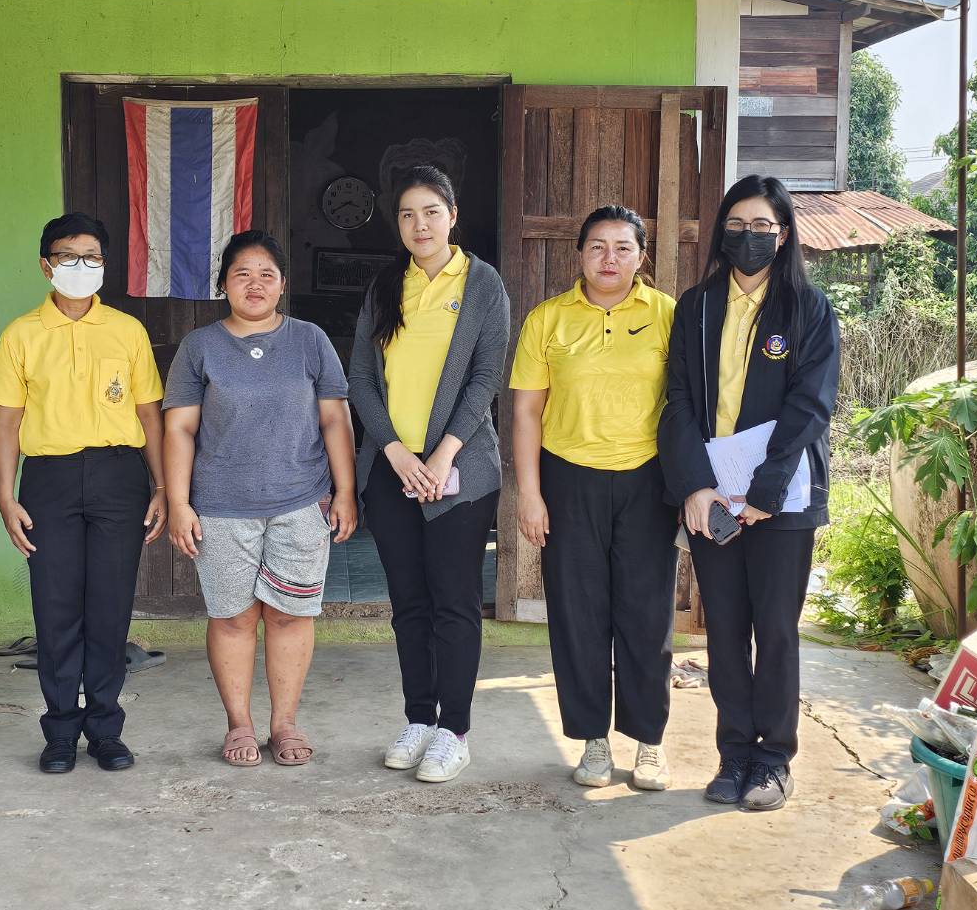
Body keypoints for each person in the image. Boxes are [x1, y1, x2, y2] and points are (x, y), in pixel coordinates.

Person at [658, 174, 839, 812]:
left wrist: (762, 489)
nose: (748, 237)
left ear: (784, 234)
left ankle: (774, 760)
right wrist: (695, 487)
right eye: (737, 226)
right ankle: (734, 753)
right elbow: (678, 400)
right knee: (725, 631)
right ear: (721, 233)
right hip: (714, 500)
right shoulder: (697, 306)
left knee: (776, 631)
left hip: (781, 501)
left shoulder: (807, 309)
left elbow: (810, 407)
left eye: (762, 227)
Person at [163, 231, 357, 768]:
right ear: (223, 284)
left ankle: (285, 723)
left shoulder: (310, 340)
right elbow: (178, 429)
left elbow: (335, 418)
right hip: (221, 507)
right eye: (242, 274)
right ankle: (240, 723)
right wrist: (179, 502)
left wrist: (345, 492)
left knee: (291, 616)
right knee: (232, 618)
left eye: (267, 274)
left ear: (283, 285)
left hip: (301, 501)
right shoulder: (200, 347)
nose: (255, 284)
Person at [0, 213, 167, 775]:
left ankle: (106, 730)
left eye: (92, 257)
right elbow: (7, 421)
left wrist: (162, 485)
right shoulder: (21, 334)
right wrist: (5, 494)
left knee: (109, 609)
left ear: (105, 265)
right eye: (68, 257)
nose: (80, 267)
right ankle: (60, 731)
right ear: (46, 264)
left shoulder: (127, 331)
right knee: (56, 607)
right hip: (49, 479)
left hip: (119, 477)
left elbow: (148, 414)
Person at [348, 165, 509, 785]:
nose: (421, 225)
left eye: (431, 212)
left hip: (459, 470)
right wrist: (393, 452)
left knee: (455, 602)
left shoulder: (482, 283)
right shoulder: (385, 285)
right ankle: (419, 717)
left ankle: (454, 729)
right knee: (409, 603)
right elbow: (360, 377)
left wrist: (441, 457)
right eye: (409, 215)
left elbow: (485, 377)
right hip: (392, 469)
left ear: (453, 215)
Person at [509, 205, 678, 791]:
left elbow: (686, 405)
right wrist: (529, 494)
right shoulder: (549, 319)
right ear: (578, 254)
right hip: (568, 476)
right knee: (578, 614)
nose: (610, 259)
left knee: (646, 612)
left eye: (623, 248)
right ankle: (594, 741)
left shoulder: (666, 316)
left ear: (642, 256)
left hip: (647, 478)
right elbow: (527, 410)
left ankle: (650, 740)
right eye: (598, 247)